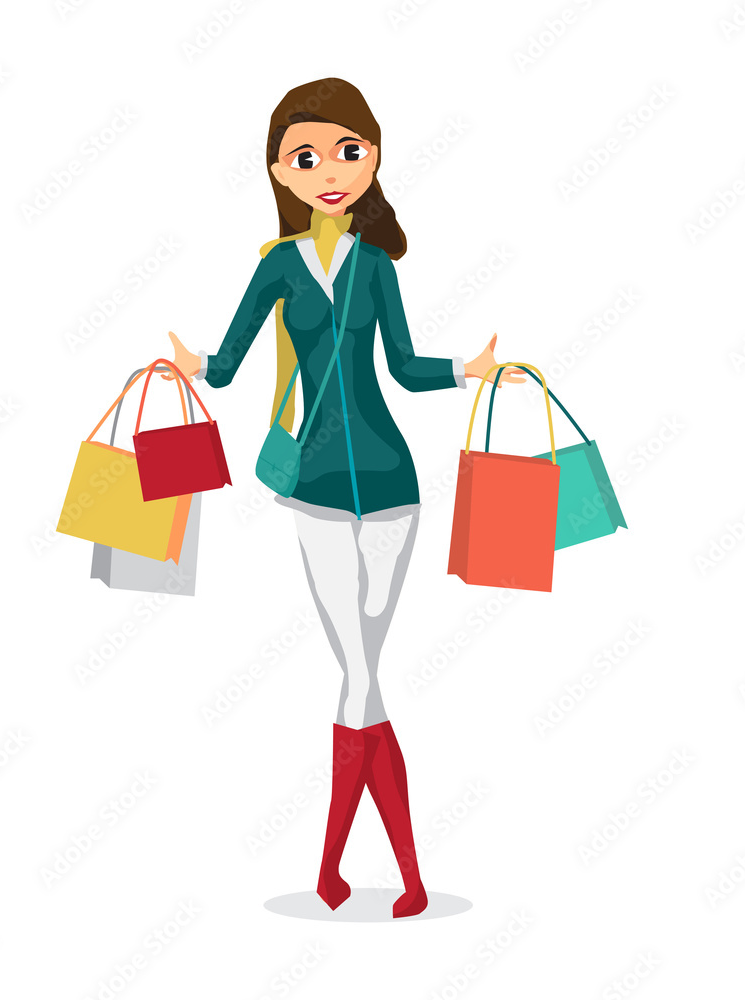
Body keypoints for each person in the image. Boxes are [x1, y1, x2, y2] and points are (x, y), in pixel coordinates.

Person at [165, 78, 522, 918]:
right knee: (362, 675)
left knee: (359, 677)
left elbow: (401, 367)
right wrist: (193, 369)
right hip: (315, 491)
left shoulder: (375, 267)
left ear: (374, 159)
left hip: (394, 486)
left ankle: (333, 872)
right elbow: (228, 365)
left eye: (347, 151)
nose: (329, 170)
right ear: (280, 174)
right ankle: (406, 875)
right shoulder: (278, 269)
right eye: (306, 157)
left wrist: (466, 371)